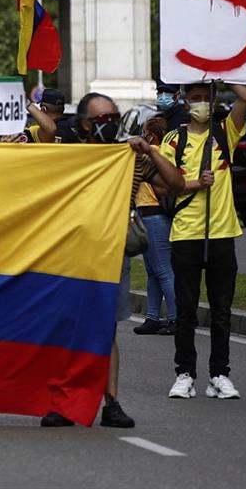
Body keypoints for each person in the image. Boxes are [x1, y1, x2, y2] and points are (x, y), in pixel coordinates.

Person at [33, 91, 178, 427]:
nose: (110, 126)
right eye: (102, 120)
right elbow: (21, 164)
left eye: (114, 119)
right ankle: (61, 404)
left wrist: (152, 151)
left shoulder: (130, 157)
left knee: (105, 331)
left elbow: (174, 184)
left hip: (111, 255)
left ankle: (111, 403)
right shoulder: (64, 155)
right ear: (84, 123)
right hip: (67, 255)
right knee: (65, 330)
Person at [161, 80, 246, 401]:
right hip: (186, 233)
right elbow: (164, 186)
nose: (201, 103)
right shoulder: (174, 140)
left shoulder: (225, 132)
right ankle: (184, 374)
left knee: (221, 311)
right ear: (185, 102)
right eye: (195, 98)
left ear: (214, 101)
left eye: (206, 98)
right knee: (185, 311)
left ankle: (219, 375)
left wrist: (222, 70)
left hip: (222, 233)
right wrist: (194, 184)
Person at [133, 106, 179, 337]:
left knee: (163, 270)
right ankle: (153, 317)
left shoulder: (154, 153)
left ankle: (175, 318)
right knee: (153, 271)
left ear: (152, 135)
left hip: (154, 215)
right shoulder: (157, 153)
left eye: (144, 133)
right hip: (146, 214)